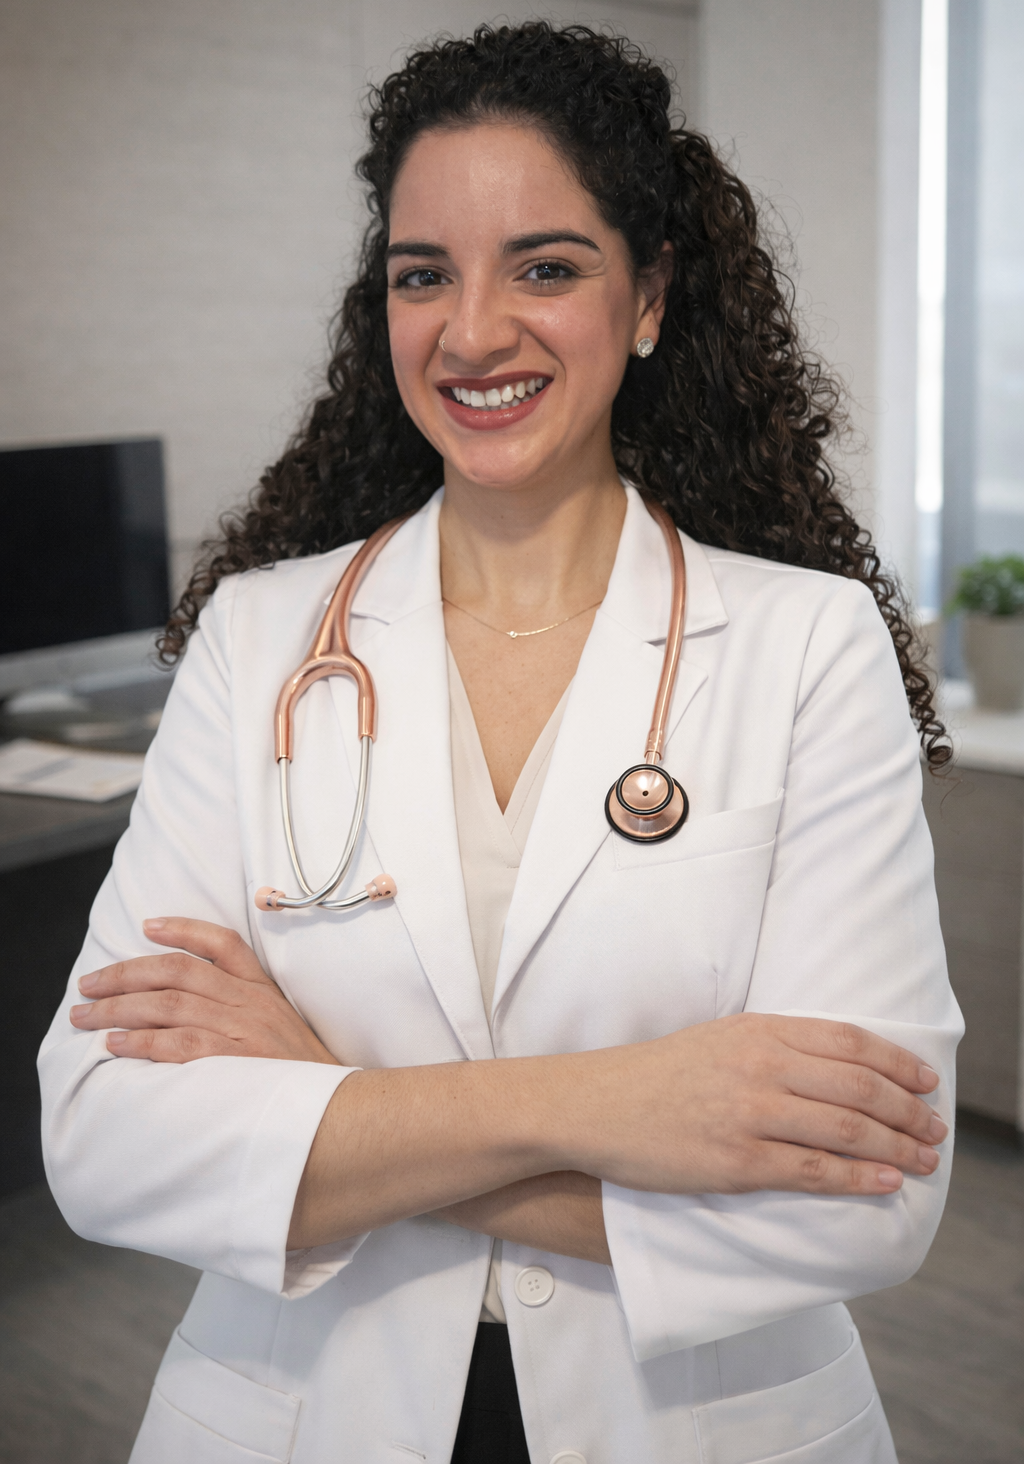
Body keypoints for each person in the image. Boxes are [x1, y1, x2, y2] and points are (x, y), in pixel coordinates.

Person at [40, 23, 962, 1464]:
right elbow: (104, 1137)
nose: (473, 331)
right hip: (301, 1414)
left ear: (648, 297)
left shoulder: (806, 645)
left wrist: (323, 1102)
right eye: (425, 276)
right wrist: (628, 1106)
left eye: (546, 266)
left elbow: (868, 1194)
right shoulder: (261, 641)